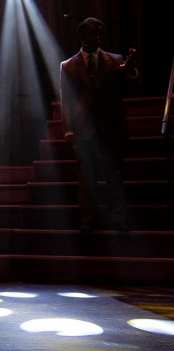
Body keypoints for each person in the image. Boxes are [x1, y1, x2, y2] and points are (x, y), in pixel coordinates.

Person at [60, 17, 140, 232]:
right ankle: (88, 218)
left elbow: (128, 85)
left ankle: (118, 217)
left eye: (99, 34)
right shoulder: (68, 66)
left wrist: (131, 70)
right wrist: (68, 129)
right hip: (85, 129)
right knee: (87, 178)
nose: (96, 37)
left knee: (113, 174)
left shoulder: (115, 60)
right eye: (92, 34)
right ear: (81, 36)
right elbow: (66, 100)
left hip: (111, 128)